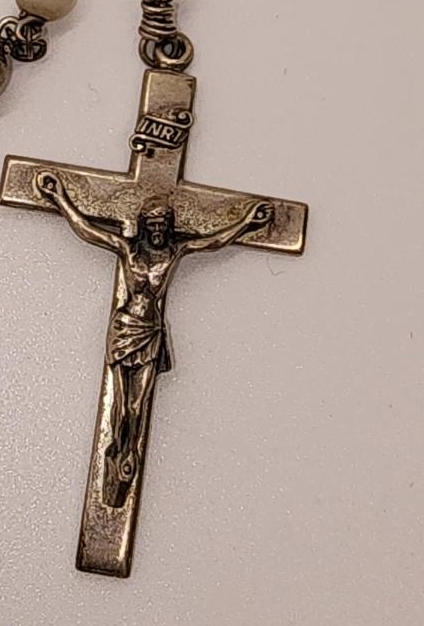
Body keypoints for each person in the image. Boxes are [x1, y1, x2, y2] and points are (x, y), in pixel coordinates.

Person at [35, 171, 273, 507]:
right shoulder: (128, 250)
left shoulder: (175, 252)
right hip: (124, 329)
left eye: (163, 225)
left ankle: (128, 455)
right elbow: (87, 230)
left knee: (137, 405)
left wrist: (247, 222)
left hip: (149, 333)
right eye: (153, 225)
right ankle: (116, 454)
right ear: (145, 226)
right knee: (120, 405)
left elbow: (212, 242)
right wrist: (59, 198)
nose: (159, 230)